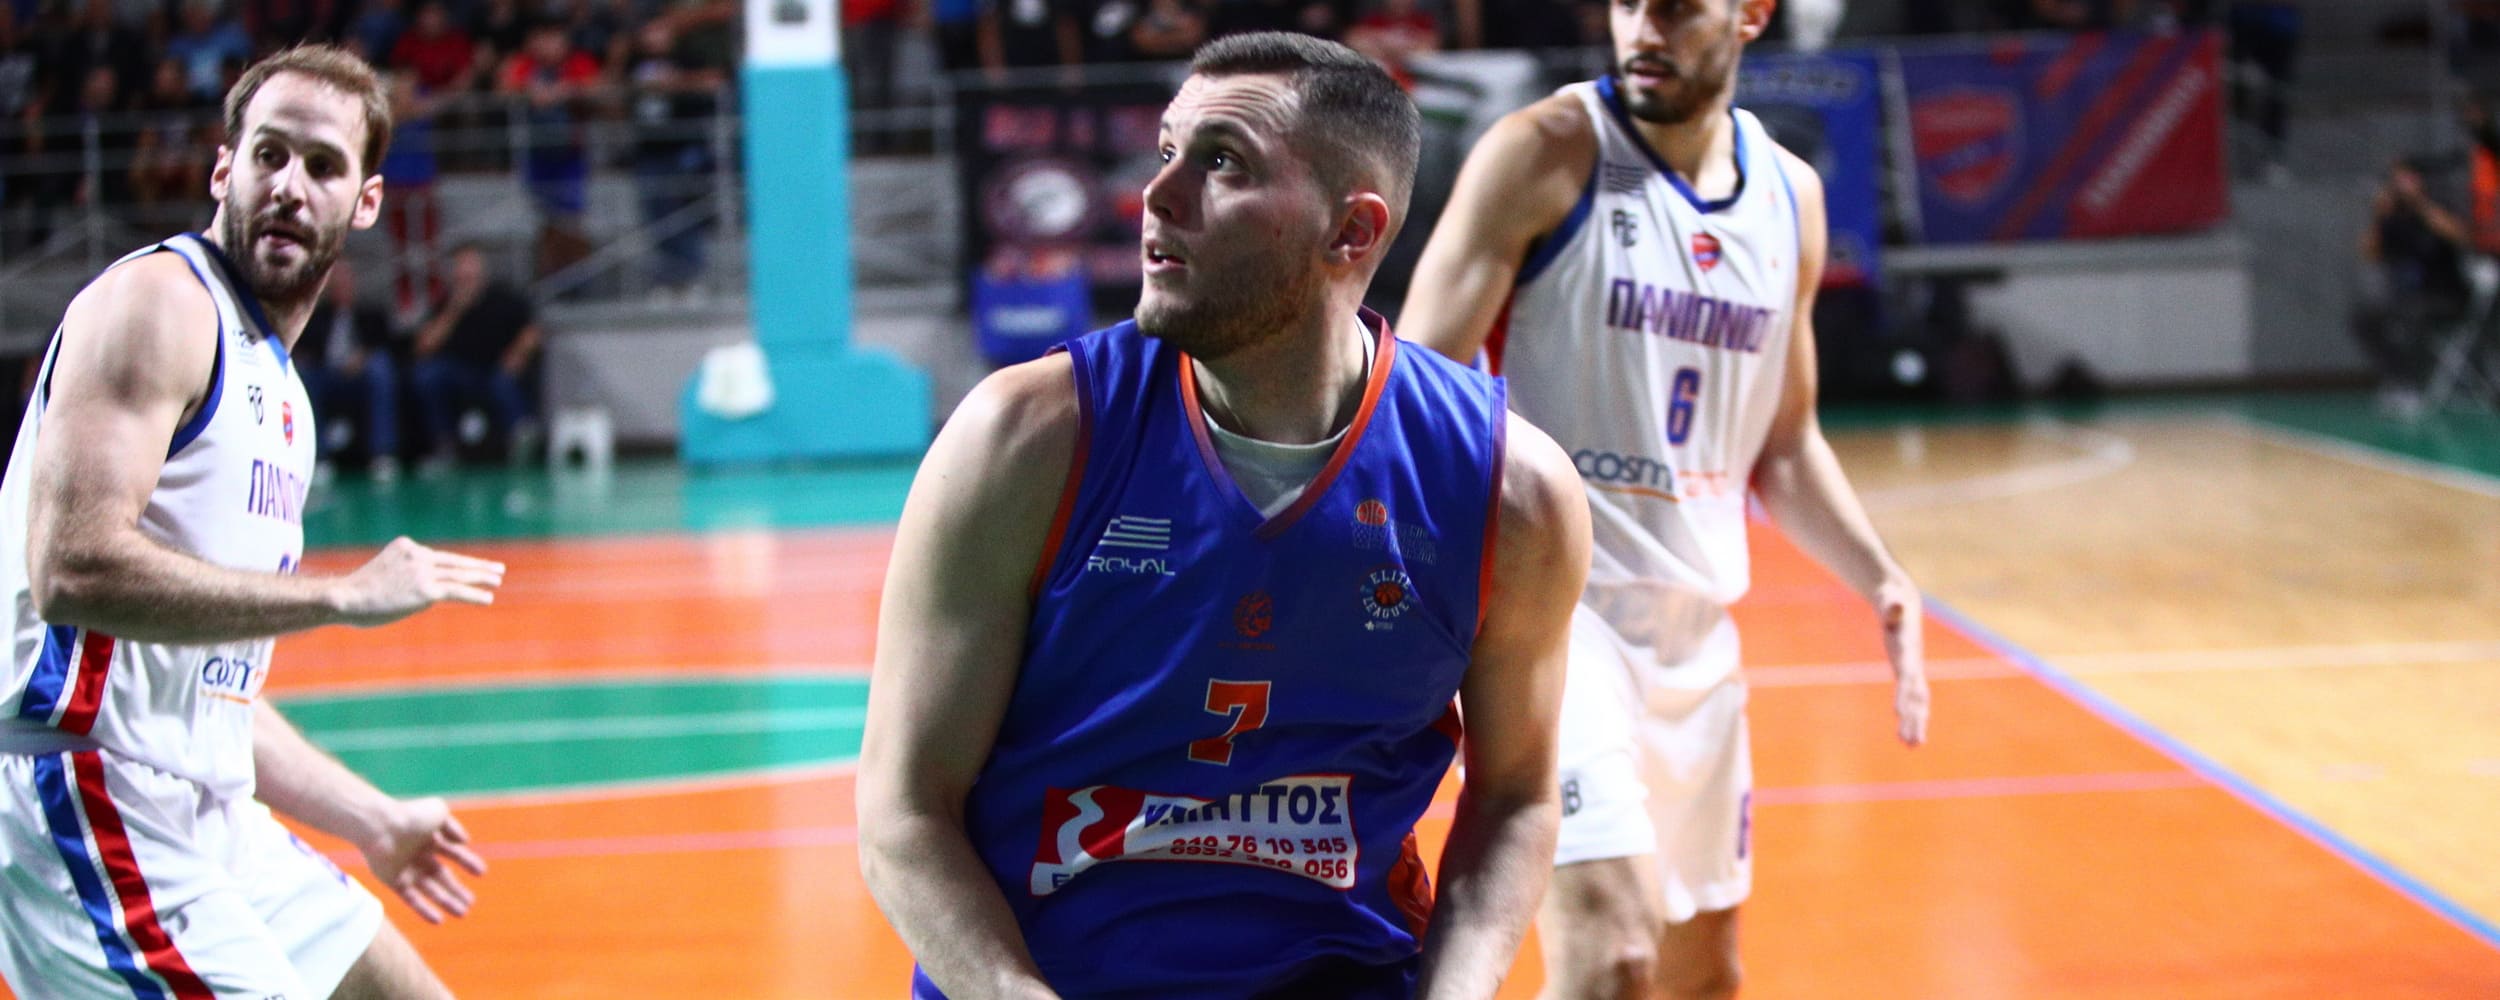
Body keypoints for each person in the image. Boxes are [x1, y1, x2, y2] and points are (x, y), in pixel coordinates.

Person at [859, 32, 1591, 1000]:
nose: (1156, 196)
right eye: (1167, 151)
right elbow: (904, 809)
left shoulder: (1510, 489)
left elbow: (1515, 798)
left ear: (1351, 231)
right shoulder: (1025, 437)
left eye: (1222, 163)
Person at [1399, 1, 1931, 997]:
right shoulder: (1544, 152)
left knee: (1702, 977)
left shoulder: (1791, 195)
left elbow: (1785, 443)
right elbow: (1412, 393)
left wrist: (1882, 577)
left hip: (1696, 634)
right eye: (1626, 2)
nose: (1645, 25)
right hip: (1554, 619)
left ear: (1750, 14)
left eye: (1677, 5)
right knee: (1612, 955)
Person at [0, 45, 504, 1000]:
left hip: (205, 812)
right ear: (223, 170)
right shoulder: (161, 305)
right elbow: (71, 570)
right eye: (269, 155)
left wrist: (369, 817)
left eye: (322, 166)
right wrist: (338, 597)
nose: (289, 186)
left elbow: (208, 691)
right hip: (85, 797)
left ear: (366, 202)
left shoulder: (281, 393)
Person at [410, 243, 540, 466]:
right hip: (460, 372)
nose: (467, 274)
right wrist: (454, 310)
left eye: (471, 267)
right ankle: (444, 444)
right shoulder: (445, 303)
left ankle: (521, 439)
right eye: (462, 269)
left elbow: (532, 332)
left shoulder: (503, 298)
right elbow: (423, 347)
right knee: (427, 376)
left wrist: (517, 353)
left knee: (504, 381)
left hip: (496, 368)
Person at [300, 257, 407, 478]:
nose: (341, 285)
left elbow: (387, 345)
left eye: (345, 279)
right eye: (336, 281)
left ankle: (382, 453)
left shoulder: (370, 314)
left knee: (381, 368)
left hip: (362, 374)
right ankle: (319, 457)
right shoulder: (317, 316)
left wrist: (362, 357)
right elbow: (307, 351)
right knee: (305, 375)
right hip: (328, 374)